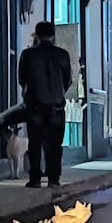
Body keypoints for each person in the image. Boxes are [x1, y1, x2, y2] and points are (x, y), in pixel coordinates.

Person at [18, 22, 71, 188]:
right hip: (56, 106)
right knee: (54, 144)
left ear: (37, 35)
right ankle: (53, 178)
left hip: (35, 105)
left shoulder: (27, 54)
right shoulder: (62, 54)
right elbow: (67, 80)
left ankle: (35, 179)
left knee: (35, 143)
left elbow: (22, 79)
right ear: (53, 35)